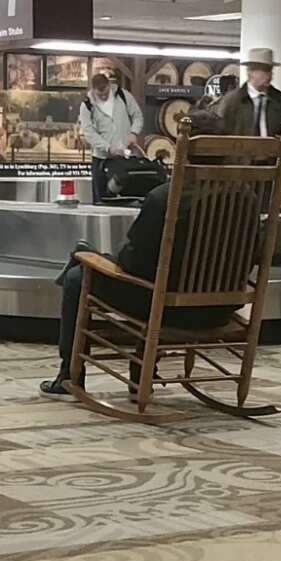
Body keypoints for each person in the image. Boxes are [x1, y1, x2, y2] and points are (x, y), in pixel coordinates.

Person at [40, 111, 238, 398]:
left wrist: (100, 257)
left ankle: (70, 374)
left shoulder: (165, 197)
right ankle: (143, 367)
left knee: (77, 274)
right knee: (116, 268)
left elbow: (134, 263)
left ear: (184, 147)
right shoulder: (245, 196)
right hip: (220, 309)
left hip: (167, 308)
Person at [79, 72, 143, 203]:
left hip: (126, 158)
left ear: (109, 85)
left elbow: (137, 116)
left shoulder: (123, 95)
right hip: (101, 160)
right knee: (102, 200)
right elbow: (89, 132)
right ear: (93, 89)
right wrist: (108, 148)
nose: (103, 95)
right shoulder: (87, 106)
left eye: (105, 92)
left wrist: (133, 133)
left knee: (128, 198)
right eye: (99, 93)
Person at [218, 48, 281, 137]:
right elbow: (221, 134)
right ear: (250, 72)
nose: (269, 76)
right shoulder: (232, 101)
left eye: (270, 70)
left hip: (272, 150)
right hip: (241, 150)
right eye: (264, 70)